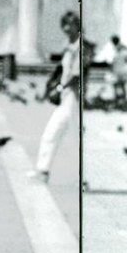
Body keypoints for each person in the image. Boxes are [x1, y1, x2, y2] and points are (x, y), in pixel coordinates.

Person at [32, 11, 85, 183]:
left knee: (75, 137)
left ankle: (83, 176)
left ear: (77, 25)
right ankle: (43, 170)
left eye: (71, 24)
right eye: (65, 24)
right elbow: (63, 70)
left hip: (74, 98)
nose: (67, 28)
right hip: (66, 97)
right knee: (51, 132)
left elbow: (77, 74)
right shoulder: (69, 46)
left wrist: (61, 87)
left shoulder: (81, 47)